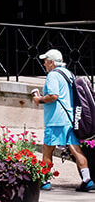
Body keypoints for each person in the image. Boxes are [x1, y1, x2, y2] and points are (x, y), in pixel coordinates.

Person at [31, 48, 93, 192]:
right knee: (76, 149)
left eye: (46, 61)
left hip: (55, 120)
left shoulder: (53, 75)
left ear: (52, 62)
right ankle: (87, 179)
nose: (44, 64)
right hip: (69, 119)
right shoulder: (68, 73)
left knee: (47, 150)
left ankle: (45, 181)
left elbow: (53, 96)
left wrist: (38, 99)